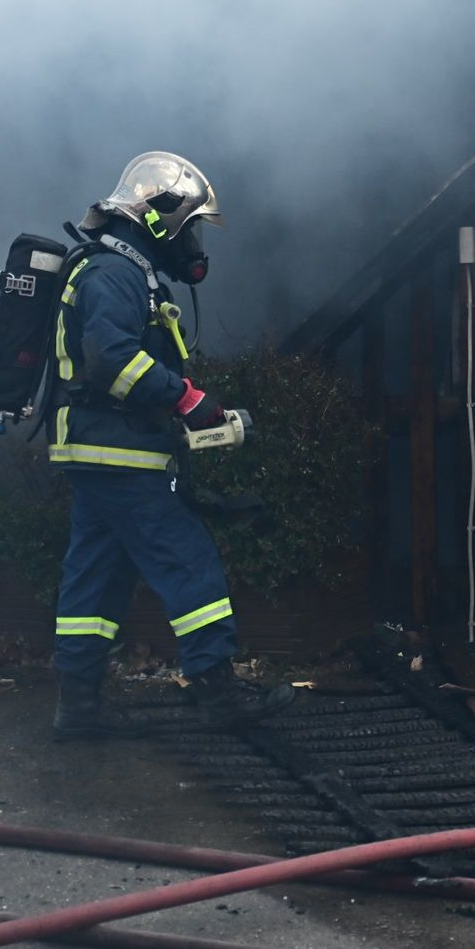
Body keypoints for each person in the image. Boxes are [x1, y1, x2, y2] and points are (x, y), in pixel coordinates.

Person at [48, 151, 295, 740]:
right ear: (158, 219)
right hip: (123, 453)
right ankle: (218, 694)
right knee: (189, 563)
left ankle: (77, 707)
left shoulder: (119, 269)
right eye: (191, 229)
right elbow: (111, 361)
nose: (193, 246)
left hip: (97, 451)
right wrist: (186, 399)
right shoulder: (116, 274)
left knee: (95, 578)